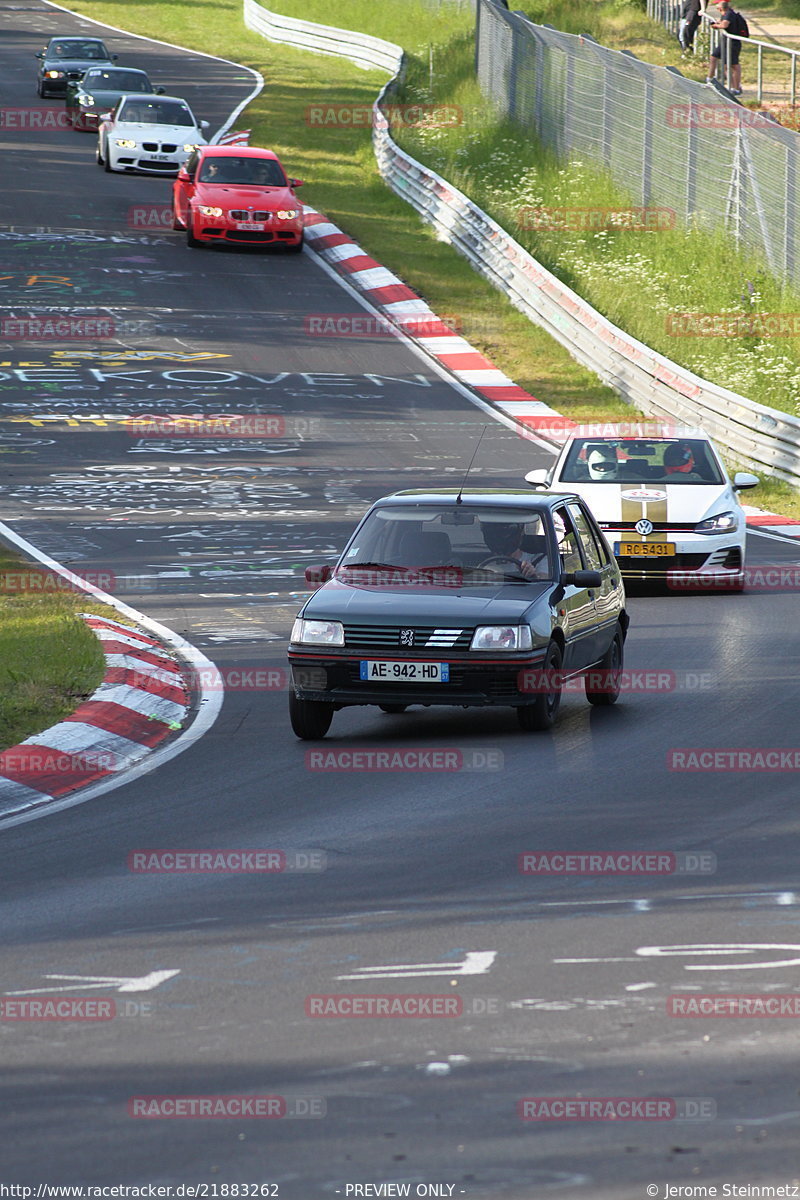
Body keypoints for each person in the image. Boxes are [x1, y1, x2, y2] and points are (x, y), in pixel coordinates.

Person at [479, 522, 549, 580]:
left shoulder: (538, 559)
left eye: (505, 533)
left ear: (520, 533)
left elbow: (546, 580)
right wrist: (477, 573)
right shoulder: (481, 563)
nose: (500, 540)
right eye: (494, 534)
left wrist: (532, 575)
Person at [707, 0, 744, 94]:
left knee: (733, 66)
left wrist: (715, 26)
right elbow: (723, 22)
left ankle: (736, 88)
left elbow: (724, 25)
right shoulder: (727, 14)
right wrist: (717, 22)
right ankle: (709, 79)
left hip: (732, 43)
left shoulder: (729, 14)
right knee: (714, 57)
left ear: (720, 8)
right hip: (725, 42)